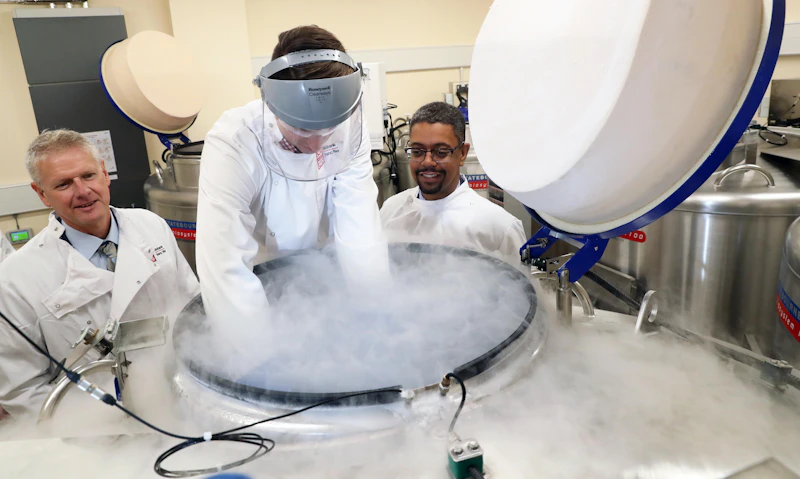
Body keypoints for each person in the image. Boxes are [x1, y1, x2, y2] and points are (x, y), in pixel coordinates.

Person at [196, 25, 389, 330]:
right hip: (260, 282)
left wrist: (378, 312)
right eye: (302, 130)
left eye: (328, 132)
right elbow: (224, 264)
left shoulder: (352, 123)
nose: (315, 144)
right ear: (271, 105)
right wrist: (256, 356)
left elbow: (360, 230)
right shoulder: (234, 143)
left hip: (328, 272)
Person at [0, 129, 200, 418]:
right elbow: (23, 389)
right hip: (97, 426)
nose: (82, 191)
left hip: (182, 399)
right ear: (41, 193)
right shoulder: (16, 279)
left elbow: (192, 309)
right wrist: (95, 435)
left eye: (88, 175)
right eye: (64, 184)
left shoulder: (151, 225)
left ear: (105, 173)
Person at [380, 102, 527, 260]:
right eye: (417, 151)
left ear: (463, 153)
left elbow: (523, 284)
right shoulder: (391, 210)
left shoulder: (499, 227)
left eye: (441, 152)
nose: (427, 161)